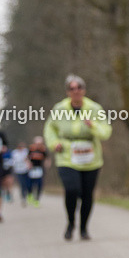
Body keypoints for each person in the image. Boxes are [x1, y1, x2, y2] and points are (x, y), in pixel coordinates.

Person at [43, 75, 112, 240]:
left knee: (87, 194)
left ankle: (83, 228)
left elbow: (106, 132)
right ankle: (71, 222)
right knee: (72, 189)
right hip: (66, 156)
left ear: (84, 90)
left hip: (91, 158)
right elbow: (49, 129)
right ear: (67, 92)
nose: (76, 91)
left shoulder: (94, 108)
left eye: (79, 88)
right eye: (72, 88)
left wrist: (93, 125)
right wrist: (54, 143)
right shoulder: (59, 109)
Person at [26, 136, 48, 206]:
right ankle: (30, 194)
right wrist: (28, 164)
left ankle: (37, 200)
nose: (39, 145)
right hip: (32, 169)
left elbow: (47, 158)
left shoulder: (43, 150)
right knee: (30, 184)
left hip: (39, 169)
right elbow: (26, 158)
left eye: (40, 143)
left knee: (39, 184)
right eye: (37, 143)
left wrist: (46, 164)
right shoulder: (31, 148)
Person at [11, 142, 31, 206]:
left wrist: (28, 161)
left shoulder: (26, 151)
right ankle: (23, 197)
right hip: (18, 170)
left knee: (28, 183)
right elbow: (13, 161)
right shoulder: (14, 153)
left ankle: (29, 194)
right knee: (22, 184)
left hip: (26, 170)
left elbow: (30, 159)